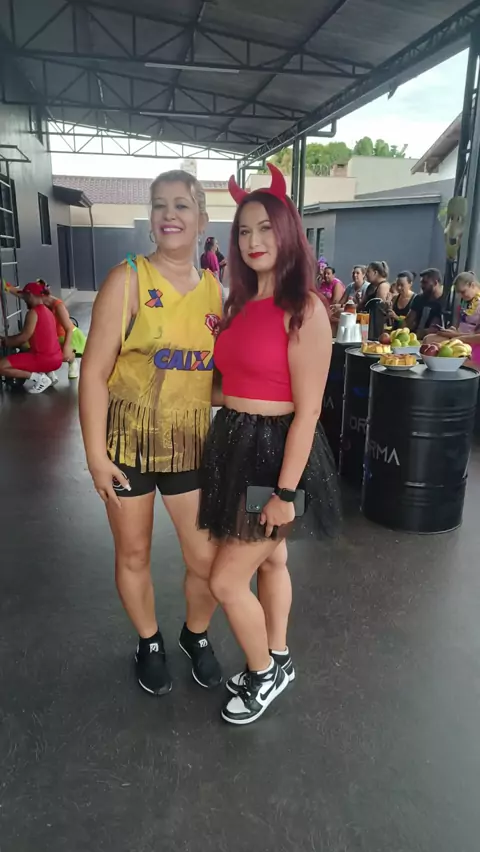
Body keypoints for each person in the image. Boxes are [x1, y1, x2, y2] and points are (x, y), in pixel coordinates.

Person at [199, 164, 341, 725]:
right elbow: (229, 385)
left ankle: (263, 674)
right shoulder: (236, 305)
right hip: (233, 442)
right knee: (272, 559)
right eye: (243, 231)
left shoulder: (305, 308)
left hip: (277, 456)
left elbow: (309, 412)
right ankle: (277, 656)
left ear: (286, 232)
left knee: (225, 579)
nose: (252, 240)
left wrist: (284, 492)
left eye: (264, 228)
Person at [79, 170, 226, 697]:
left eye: (182, 205)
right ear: (150, 217)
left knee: (206, 560)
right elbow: (93, 374)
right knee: (134, 554)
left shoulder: (215, 291)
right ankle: (149, 643)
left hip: (190, 443)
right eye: (160, 204)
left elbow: (212, 382)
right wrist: (95, 456)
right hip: (128, 446)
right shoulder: (127, 280)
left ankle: (195, 634)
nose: (170, 214)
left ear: (201, 219)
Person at [0, 281, 62, 393]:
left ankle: (40, 378)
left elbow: (23, 337)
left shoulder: (33, 313)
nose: (24, 299)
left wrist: (5, 342)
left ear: (30, 295)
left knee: (1, 366)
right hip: (56, 359)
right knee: (25, 349)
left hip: (43, 359)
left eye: (25, 296)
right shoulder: (48, 311)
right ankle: (49, 374)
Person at [423, 271, 480, 365]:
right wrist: (451, 330)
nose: (461, 296)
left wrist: (456, 335)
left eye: (463, 292)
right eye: (459, 293)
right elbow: (460, 325)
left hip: (471, 343)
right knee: (428, 339)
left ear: (472, 285)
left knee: (431, 342)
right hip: (459, 337)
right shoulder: (465, 301)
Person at [405, 268, 444, 337]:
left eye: (425, 282)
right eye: (421, 282)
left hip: (431, 339)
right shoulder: (419, 298)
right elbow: (408, 321)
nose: (422, 286)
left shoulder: (443, 302)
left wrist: (418, 335)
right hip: (412, 337)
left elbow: (434, 329)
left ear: (435, 283)